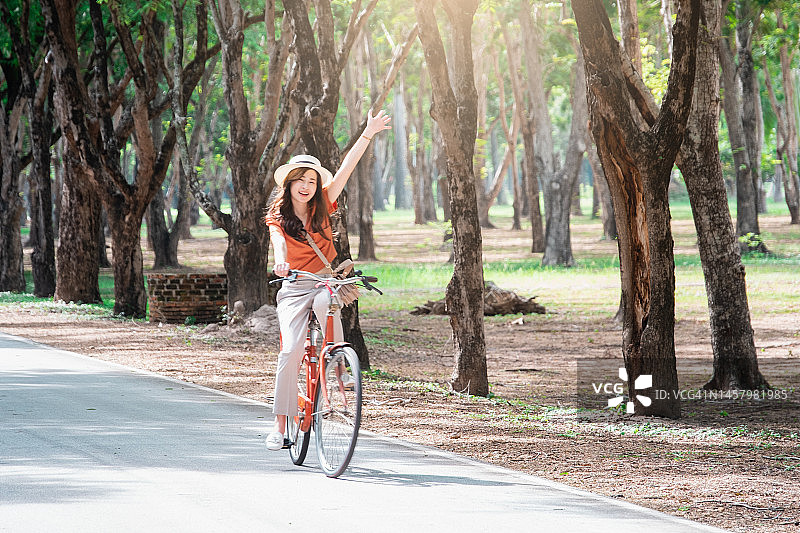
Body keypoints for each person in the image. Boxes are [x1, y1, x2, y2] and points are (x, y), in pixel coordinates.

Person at [263, 110, 391, 450]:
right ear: (289, 183)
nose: (306, 187)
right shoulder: (277, 217)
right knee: (289, 350)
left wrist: (368, 133)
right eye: (300, 181)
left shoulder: (325, 203)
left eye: (311, 182)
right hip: (293, 286)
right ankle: (279, 425)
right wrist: (280, 263)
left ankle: (336, 360)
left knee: (328, 302)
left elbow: (348, 167)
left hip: (324, 281)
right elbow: (278, 244)